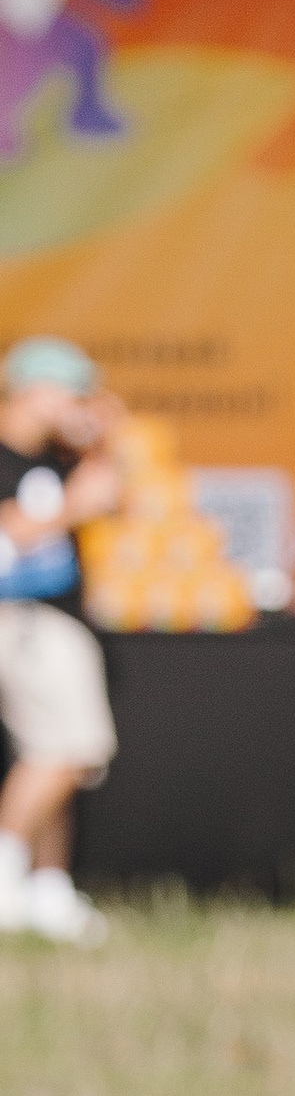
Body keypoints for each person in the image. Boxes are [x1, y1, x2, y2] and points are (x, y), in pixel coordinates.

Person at [0, 335, 123, 943]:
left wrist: (103, 435)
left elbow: (118, 491)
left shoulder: (58, 458)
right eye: (70, 391)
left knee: (62, 752)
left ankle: (47, 891)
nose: (77, 402)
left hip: (59, 621)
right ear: (32, 389)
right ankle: (6, 872)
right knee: (62, 754)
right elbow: (15, 531)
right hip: (20, 622)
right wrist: (71, 507)